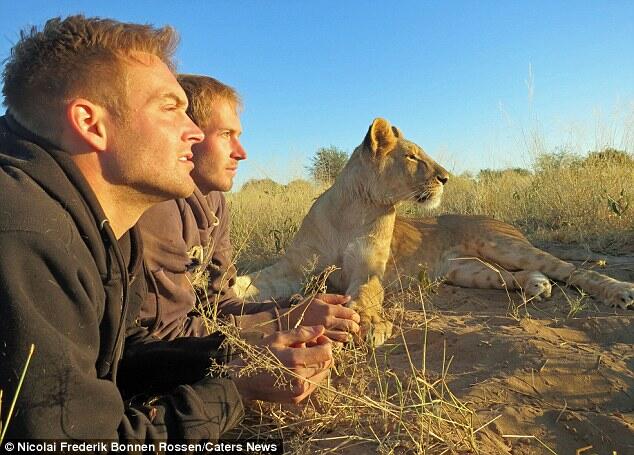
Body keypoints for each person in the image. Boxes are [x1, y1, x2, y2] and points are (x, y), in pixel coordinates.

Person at [0, 15, 332, 443]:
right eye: (170, 108)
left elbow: (120, 360)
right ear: (91, 123)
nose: (194, 132)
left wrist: (238, 359)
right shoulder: (26, 236)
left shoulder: (103, 222)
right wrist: (235, 390)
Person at [136, 74, 361, 343]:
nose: (241, 152)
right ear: (188, 134)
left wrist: (294, 309)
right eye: (225, 135)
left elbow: (217, 304)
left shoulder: (214, 201)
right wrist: (283, 322)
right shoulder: (157, 207)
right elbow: (165, 334)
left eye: (238, 136)